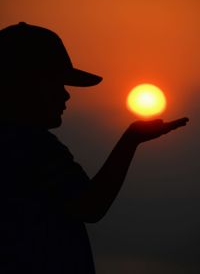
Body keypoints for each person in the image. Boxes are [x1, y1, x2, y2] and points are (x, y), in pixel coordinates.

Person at [0, 22, 189, 274]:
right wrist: (130, 140)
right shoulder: (33, 147)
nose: (66, 96)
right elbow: (90, 205)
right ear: (27, 84)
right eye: (57, 83)